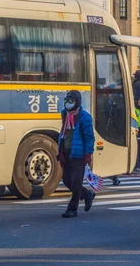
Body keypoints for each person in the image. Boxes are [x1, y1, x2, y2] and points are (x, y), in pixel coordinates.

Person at [57, 90, 95, 218]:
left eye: (71, 101)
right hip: (67, 152)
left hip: (79, 154)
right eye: (67, 101)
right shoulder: (65, 114)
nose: (68, 104)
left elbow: (89, 137)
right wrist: (60, 150)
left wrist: (88, 154)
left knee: (76, 182)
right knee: (67, 180)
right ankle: (86, 194)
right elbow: (63, 133)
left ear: (77, 102)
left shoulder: (84, 117)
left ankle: (72, 209)